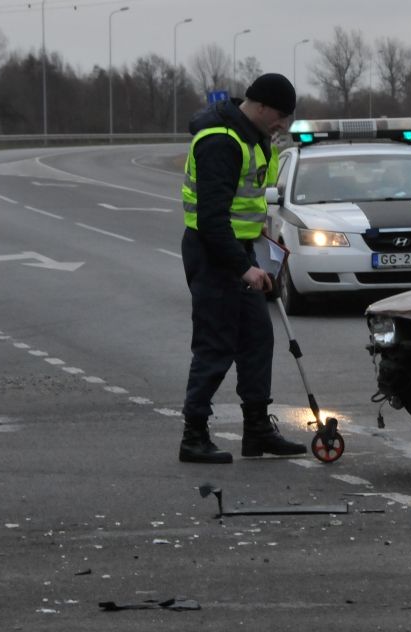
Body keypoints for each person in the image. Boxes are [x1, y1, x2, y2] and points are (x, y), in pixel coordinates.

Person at [178, 73, 307, 464]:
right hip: (214, 252)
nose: (283, 124)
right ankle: (194, 435)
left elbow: (249, 206)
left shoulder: (256, 139)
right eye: (281, 115)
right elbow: (213, 219)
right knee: (215, 346)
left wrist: (267, 246)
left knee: (257, 338)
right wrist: (243, 269)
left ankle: (257, 431)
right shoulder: (221, 141)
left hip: (242, 248)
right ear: (262, 105)